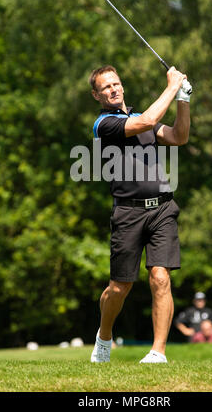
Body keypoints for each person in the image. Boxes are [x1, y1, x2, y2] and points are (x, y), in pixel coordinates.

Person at [89, 64, 190, 363]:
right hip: (128, 214)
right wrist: (172, 85)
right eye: (106, 87)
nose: (113, 89)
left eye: (116, 83)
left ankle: (158, 352)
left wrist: (183, 99)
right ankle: (104, 337)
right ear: (96, 95)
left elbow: (178, 137)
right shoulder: (104, 124)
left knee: (160, 277)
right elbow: (148, 120)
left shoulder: (139, 119)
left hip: (162, 209)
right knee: (119, 287)